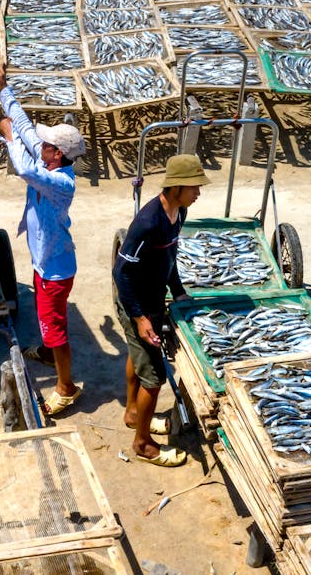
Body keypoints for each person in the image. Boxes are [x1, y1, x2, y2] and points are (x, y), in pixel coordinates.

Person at [0, 62, 85, 416]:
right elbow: (26, 128)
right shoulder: (48, 160)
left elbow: (25, 168)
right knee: (51, 322)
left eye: (45, 144)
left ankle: (65, 387)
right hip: (44, 261)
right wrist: (4, 90)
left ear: (56, 153)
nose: (39, 143)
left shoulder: (60, 182)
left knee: (56, 328)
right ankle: (48, 351)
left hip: (55, 271)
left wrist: (8, 136)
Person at [112, 154, 209, 467]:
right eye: (194, 187)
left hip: (153, 299)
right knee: (153, 378)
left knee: (136, 356)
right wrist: (139, 319)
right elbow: (121, 273)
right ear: (177, 186)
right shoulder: (148, 222)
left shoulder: (178, 214)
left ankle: (133, 413)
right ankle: (142, 443)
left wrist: (178, 291)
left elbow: (169, 259)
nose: (199, 193)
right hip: (135, 303)